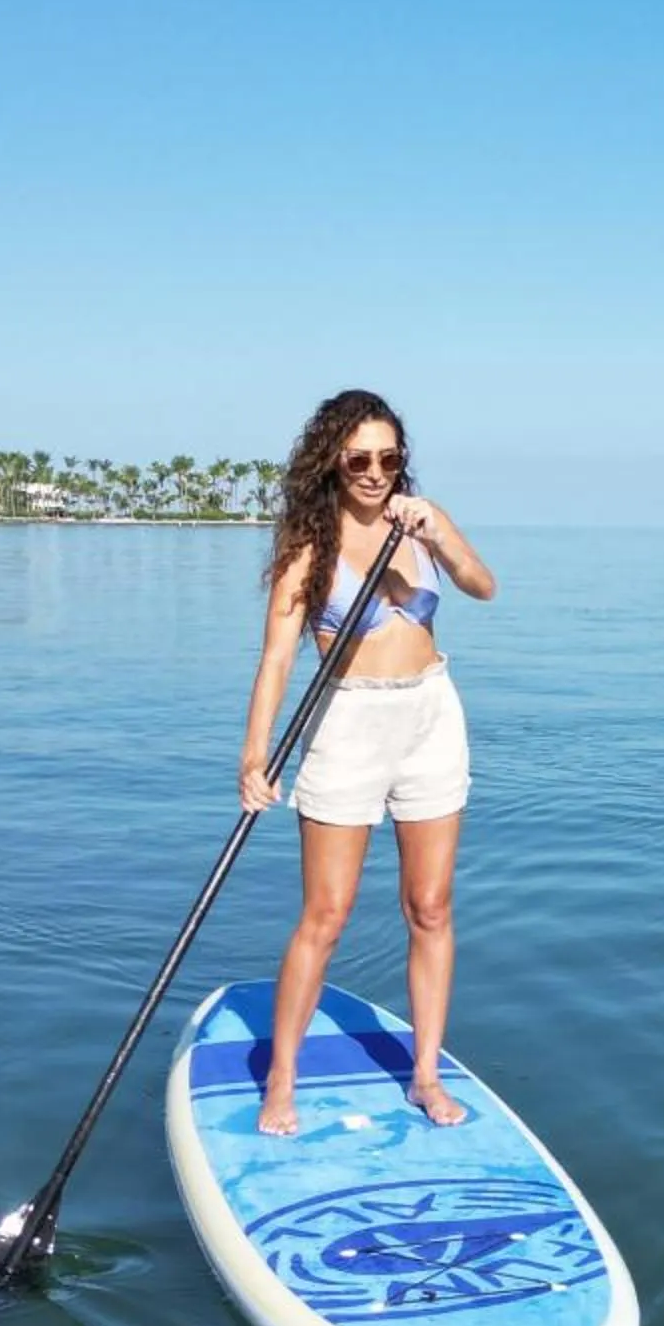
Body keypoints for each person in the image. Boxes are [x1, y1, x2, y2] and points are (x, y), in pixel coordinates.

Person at [240, 389, 496, 1138]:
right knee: (326, 914)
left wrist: (440, 536)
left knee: (431, 907)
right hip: (346, 724)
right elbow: (277, 659)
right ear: (333, 462)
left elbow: (484, 585)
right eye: (360, 458)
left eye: (390, 458)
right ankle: (282, 1080)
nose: (376, 471)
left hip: (430, 716)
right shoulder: (307, 552)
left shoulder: (420, 522)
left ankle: (424, 1075)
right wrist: (255, 754)